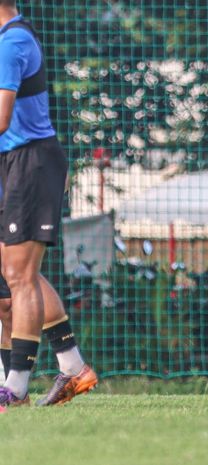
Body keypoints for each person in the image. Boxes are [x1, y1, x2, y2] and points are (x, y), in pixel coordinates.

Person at [0, 1, 97, 408]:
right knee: (16, 276)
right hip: (14, 162)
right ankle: (73, 367)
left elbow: (1, 119)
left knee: (18, 277)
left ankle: (15, 389)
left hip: (31, 161)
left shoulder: (13, 42)